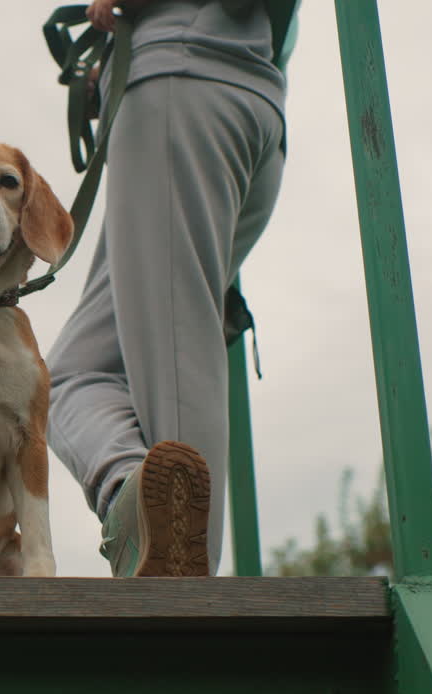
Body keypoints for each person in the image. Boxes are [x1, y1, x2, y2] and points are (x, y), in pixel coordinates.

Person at [46, 0, 297, 577]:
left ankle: (189, 596)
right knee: (68, 377)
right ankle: (135, 495)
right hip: (241, 101)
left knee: (179, 355)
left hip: (179, 87)